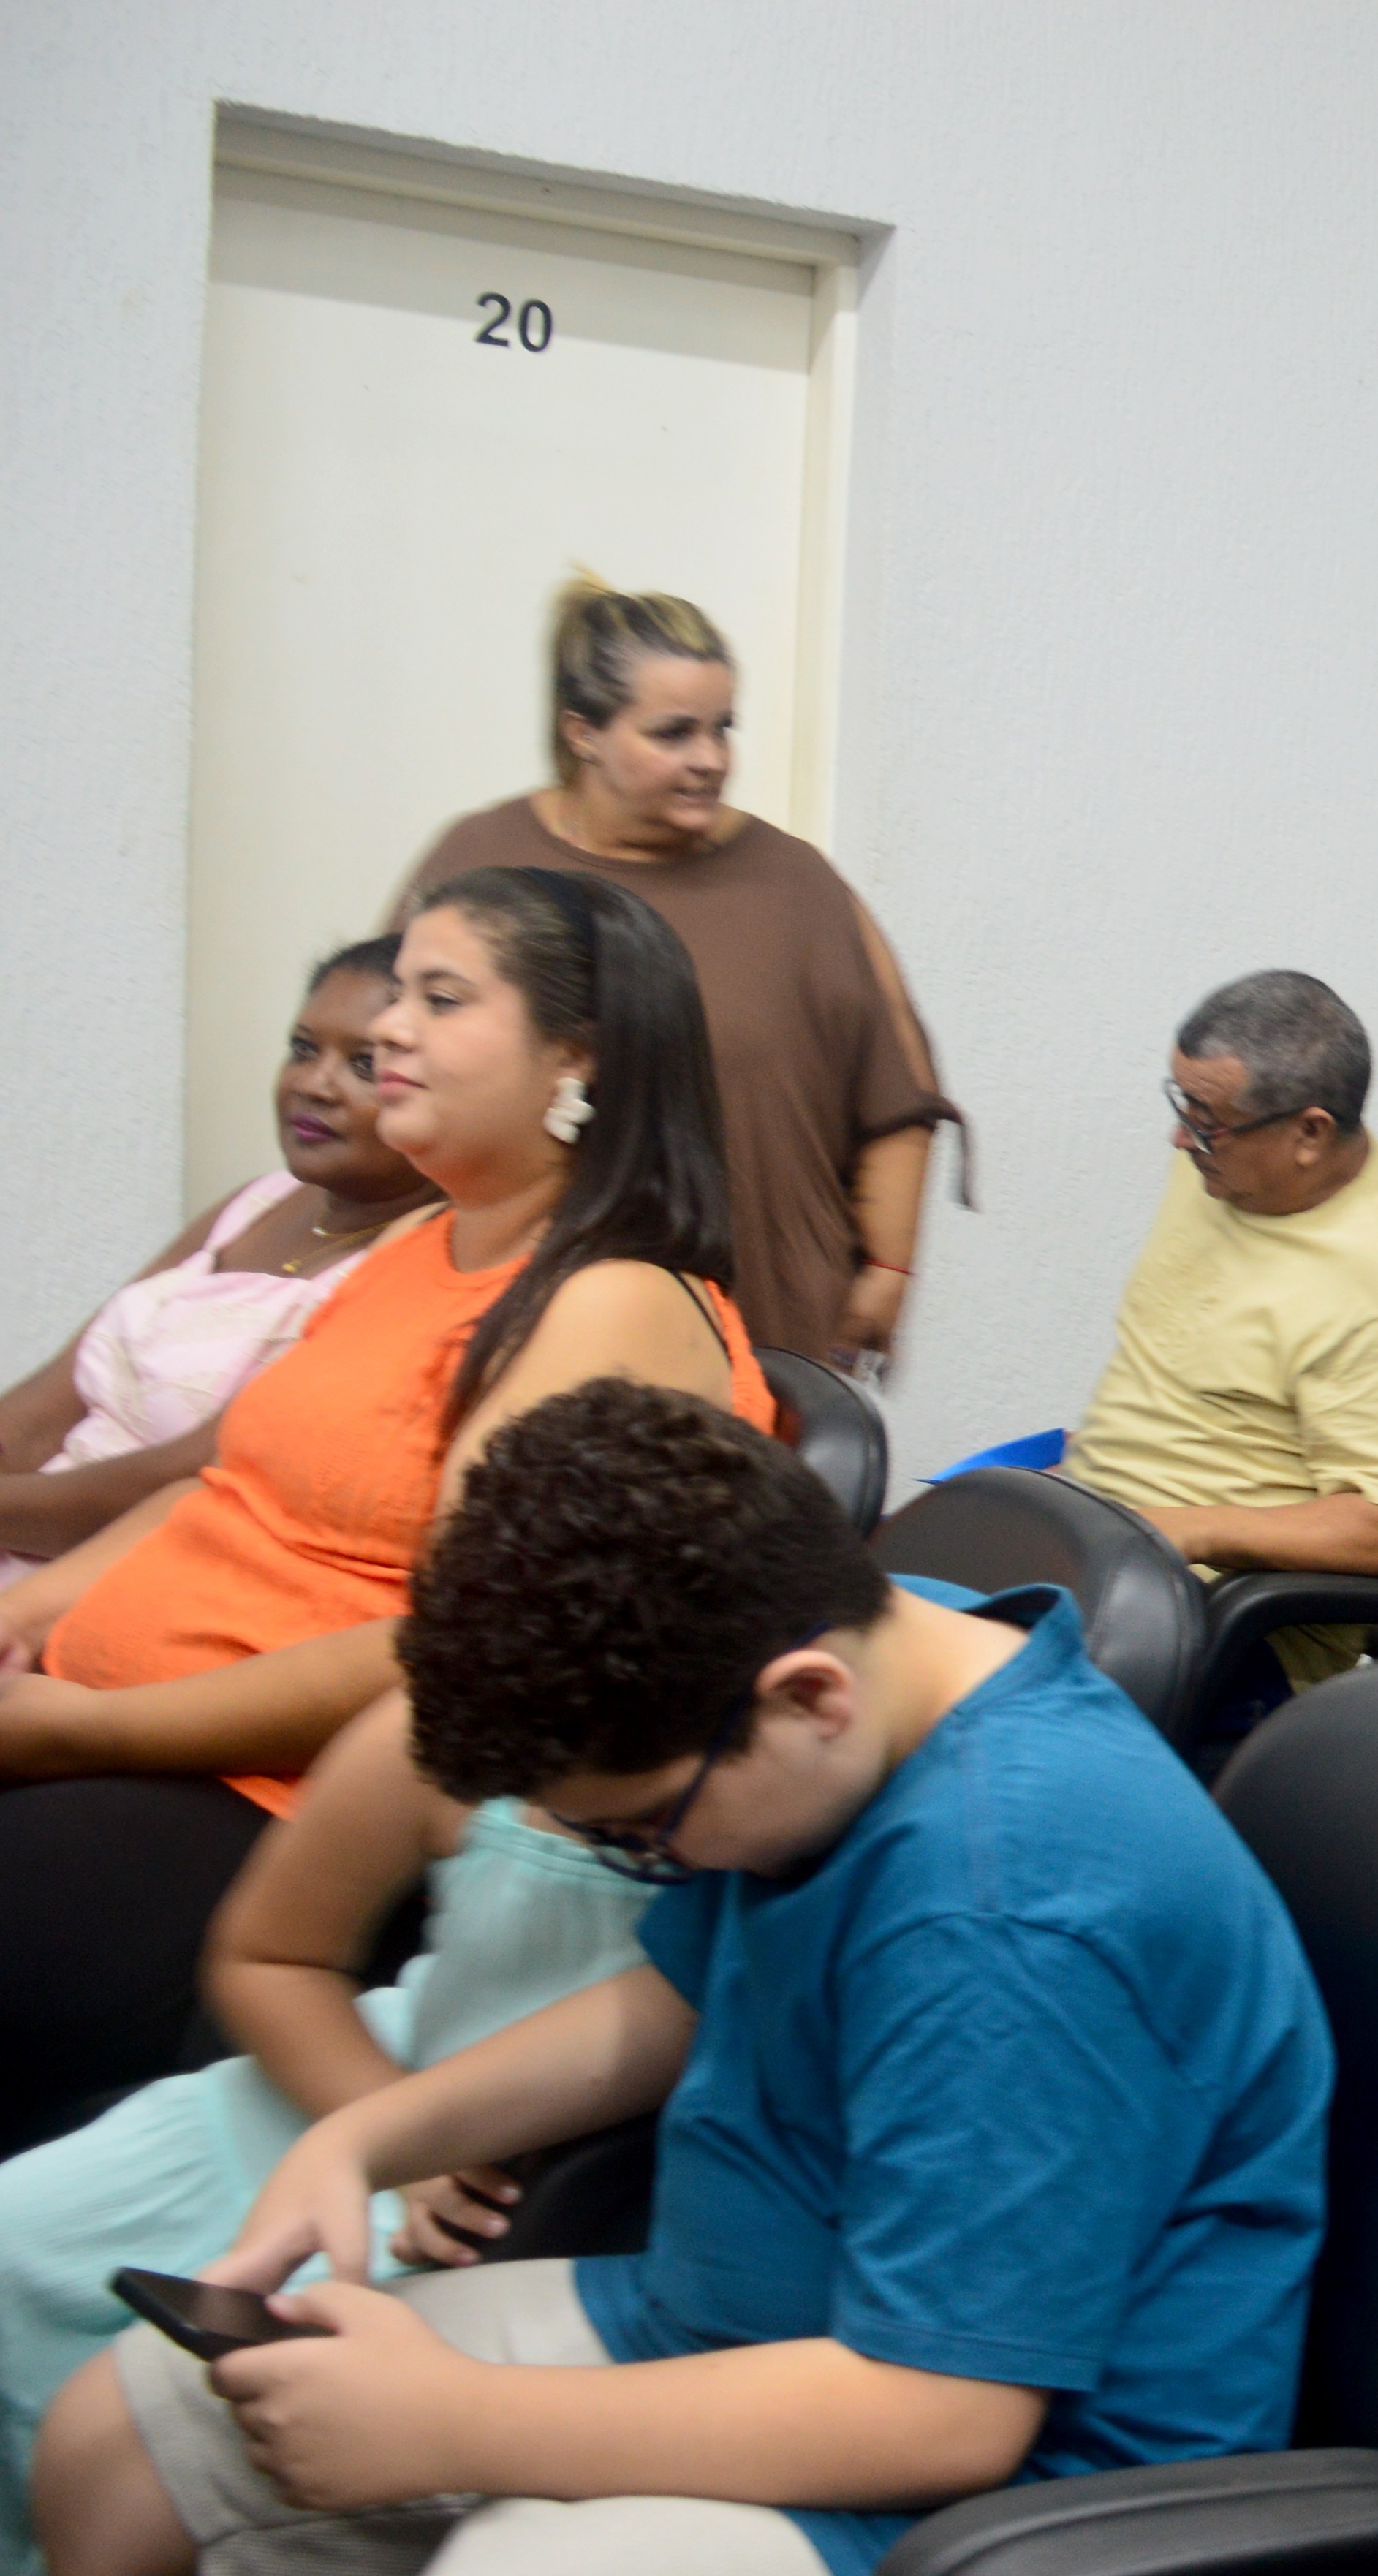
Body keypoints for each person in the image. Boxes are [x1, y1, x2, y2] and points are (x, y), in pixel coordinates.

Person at [33, 1380, 1330, 2576]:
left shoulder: (1014, 1911)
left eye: (644, 1833)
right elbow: (675, 1998)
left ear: (806, 1697)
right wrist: (371, 2132)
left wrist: (454, 2424)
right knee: (108, 2453)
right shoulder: (876, 1657)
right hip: (737, 2333)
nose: (656, 1863)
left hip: (968, 2529)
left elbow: (942, 2415)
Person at [0, 867, 770, 2151]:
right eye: (397, 992)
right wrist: (28, 1618)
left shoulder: (612, 1301)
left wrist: (87, 1730)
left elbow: (455, 1646)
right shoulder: (422, 1243)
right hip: (106, 1733)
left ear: (576, 1058)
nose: (387, 1031)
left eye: (440, 999)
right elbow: (222, 1488)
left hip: (267, 1809)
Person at [0, 1691, 651, 2576]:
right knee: (17, 2243)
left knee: (168, 2392)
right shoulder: (431, 1728)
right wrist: (393, 2133)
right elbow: (272, 1951)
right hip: (362, 2094)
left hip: (529, 2202)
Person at [399, 579, 955, 1366]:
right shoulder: (482, 861)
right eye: (674, 734)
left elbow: (896, 1094)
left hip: (758, 1326)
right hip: (501, 1317)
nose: (711, 760)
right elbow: (383, 1058)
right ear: (583, 733)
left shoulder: (797, 885)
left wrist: (889, 1270)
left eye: (723, 729)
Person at [1061, 971, 1378, 1690]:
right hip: (1105, 1549)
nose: (1180, 1137)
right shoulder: (1224, 1169)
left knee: (923, 1682)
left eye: (1205, 1119)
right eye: (1182, 1103)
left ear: (1309, 1133)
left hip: (1223, 1627)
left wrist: (1190, 1528)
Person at [0, 939, 436, 1585]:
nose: (313, 1085)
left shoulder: (419, 1260)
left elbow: (187, 1480)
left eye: (364, 1065)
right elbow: (34, 1421)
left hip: (123, 1586)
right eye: (303, 1049)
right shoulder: (255, 1203)